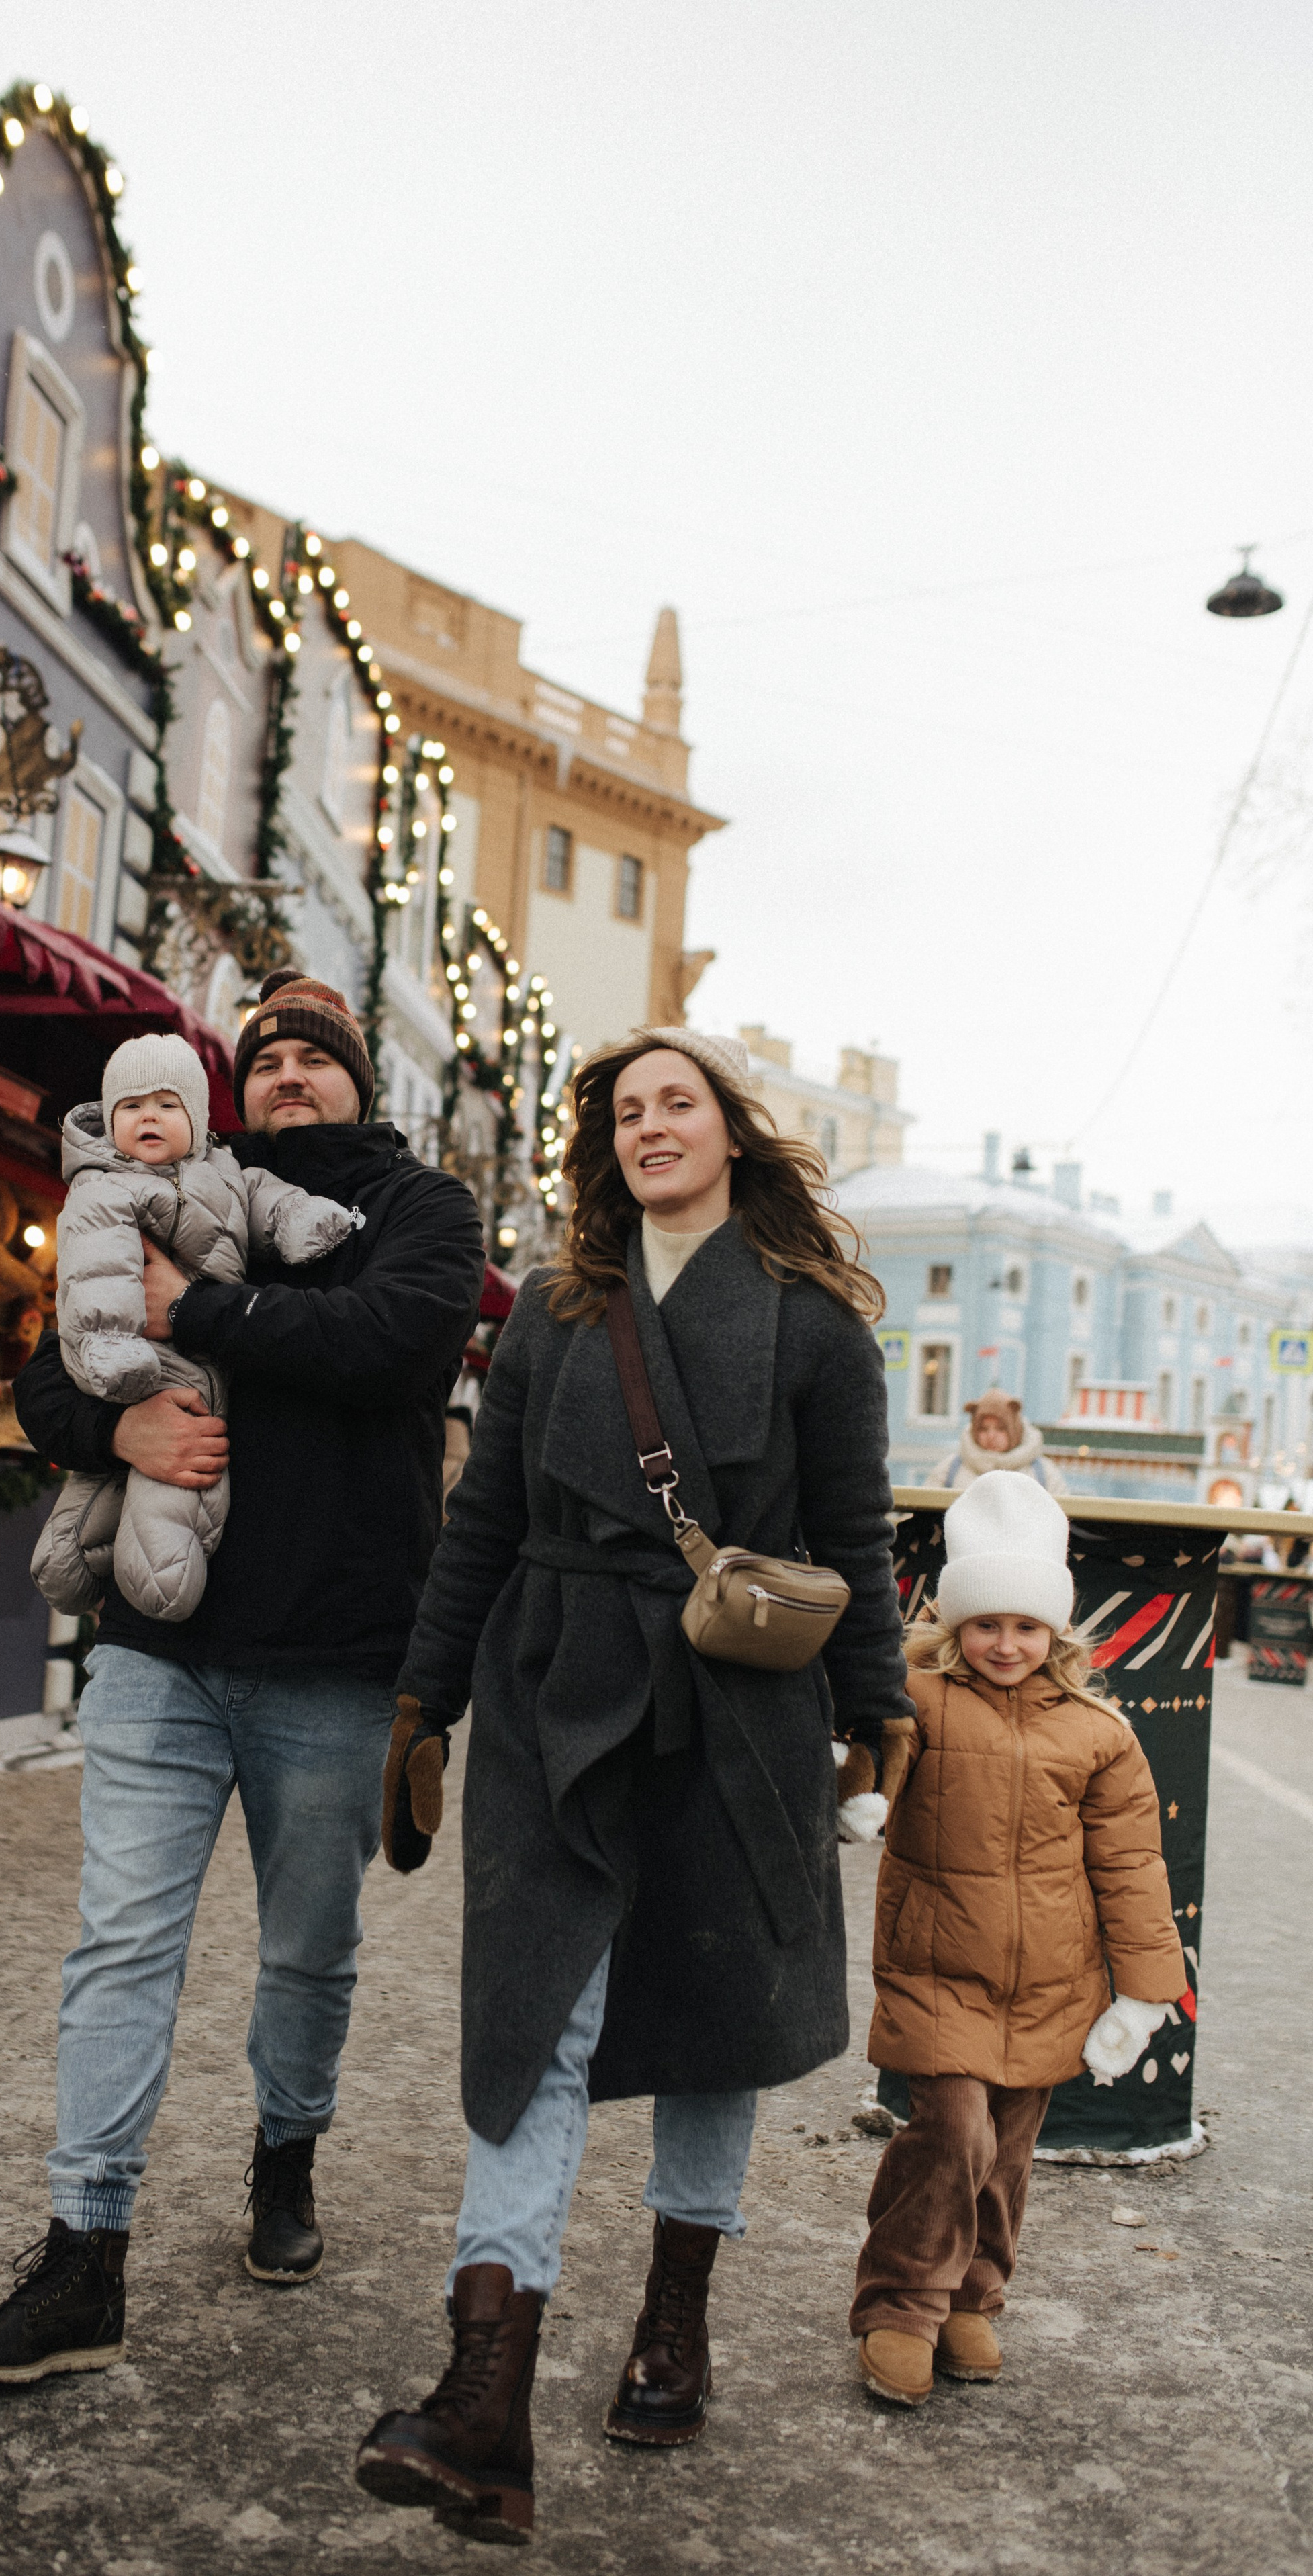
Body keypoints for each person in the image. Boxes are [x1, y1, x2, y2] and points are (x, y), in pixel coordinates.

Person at [353, 1029, 909, 2544]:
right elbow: (478, 1525)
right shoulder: (549, 1313)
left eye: (678, 1102)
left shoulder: (815, 1330)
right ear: (601, 1146)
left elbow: (854, 1544)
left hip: (742, 1711)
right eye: (622, 1110)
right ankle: (484, 2400)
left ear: (732, 1130)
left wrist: (875, 1717)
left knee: (714, 2019)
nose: (647, 1125)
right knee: (530, 2016)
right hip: (554, 1693)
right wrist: (427, 1694)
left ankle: (675, 2319)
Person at [0, 971, 485, 2385]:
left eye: (316, 1056)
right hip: (160, 1652)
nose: (289, 1072)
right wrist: (117, 1441)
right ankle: (82, 2256)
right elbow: (55, 1376)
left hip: (338, 1658)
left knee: (307, 1947)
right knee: (120, 1939)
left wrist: (204, 1310)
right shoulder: (162, 1180)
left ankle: (284, 2156)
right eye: (267, 1058)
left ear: (361, 1080)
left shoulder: (414, 1214)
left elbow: (385, 1348)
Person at [850, 1472, 1187, 2407]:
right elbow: (869, 1760)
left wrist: (1145, 1990)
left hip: (1050, 1983)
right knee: (949, 2133)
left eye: (1027, 1626)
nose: (1006, 1642)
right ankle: (900, 2302)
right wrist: (859, 1787)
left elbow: (1131, 1866)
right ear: (956, 1625)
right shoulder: (917, 1697)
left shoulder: (1099, 1733)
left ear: (1058, 1634)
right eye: (987, 1623)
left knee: (1003, 2152)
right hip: (936, 1969)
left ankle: (973, 2295)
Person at [33, 1032, 357, 1621]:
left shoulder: (228, 1170)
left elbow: (266, 1200)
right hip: (127, 1358)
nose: (148, 1117)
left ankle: (83, 1562)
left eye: (166, 1104)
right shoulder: (103, 1187)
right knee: (162, 1484)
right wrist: (110, 1344)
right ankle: (100, 1568)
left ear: (199, 1117)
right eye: (130, 1107)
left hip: (200, 1368)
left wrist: (301, 1218)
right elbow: (95, 1269)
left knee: (167, 1469)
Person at [933, 1388, 1067, 1493]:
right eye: (983, 1429)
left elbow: (1065, 1519)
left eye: (1001, 1429)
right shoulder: (950, 1469)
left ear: (1014, 1430)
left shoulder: (1044, 1473)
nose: (991, 1436)